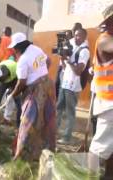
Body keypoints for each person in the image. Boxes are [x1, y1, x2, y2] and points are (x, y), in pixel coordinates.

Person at [4, 33, 56, 160]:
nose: (13, 50)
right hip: (48, 86)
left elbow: (21, 83)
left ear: (18, 47)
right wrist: (41, 74)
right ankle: (47, 151)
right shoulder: (36, 49)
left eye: (14, 48)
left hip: (36, 91)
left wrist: (12, 95)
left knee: (27, 121)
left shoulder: (23, 59)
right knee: (47, 120)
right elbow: (48, 61)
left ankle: (22, 156)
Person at [88, 5, 113, 178]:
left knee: (110, 147)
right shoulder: (105, 40)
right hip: (109, 103)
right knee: (99, 147)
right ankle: (90, 176)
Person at [56, 28, 90, 144]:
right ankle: (54, 131)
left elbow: (78, 71)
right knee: (59, 108)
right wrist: (62, 58)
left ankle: (67, 137)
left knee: (70, 112)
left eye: (79, 36)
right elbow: (65, 68)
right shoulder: (72, 46)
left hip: (73, 86)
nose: (76, 38)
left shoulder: (84, 51)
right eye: (75, 35)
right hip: (65, 83)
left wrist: (68, 60)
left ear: (84, 37)